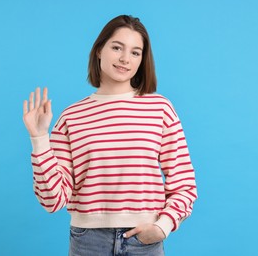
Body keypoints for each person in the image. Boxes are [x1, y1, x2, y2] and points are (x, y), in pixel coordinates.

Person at [23, 14, 197, 256]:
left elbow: (184, 183)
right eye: (117, 47)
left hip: (144, 241)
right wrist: (40, 138)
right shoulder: (72, 116)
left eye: (136, 52)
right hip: (88, 242)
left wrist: (162, 226)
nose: (125, 58)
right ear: (99, 50)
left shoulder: (160, 109)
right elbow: (53, 201)